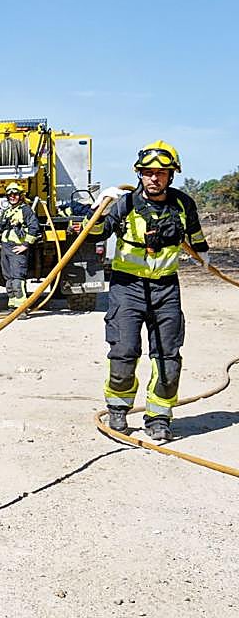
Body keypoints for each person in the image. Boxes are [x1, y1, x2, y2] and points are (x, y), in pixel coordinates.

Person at [91, 140, 210, 442]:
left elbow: (194, 233)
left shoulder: (183, 204)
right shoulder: (125, 203)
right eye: (147, 172)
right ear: (139, 174)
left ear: (172, 175)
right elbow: (94, 232)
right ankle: (118, 409)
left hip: (166, 289)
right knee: (123, 350)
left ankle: (159, 417)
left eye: (161, 172)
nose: (154, 178)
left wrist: (204, 253)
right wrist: (99, 208)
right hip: (127, 287)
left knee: (168, 357)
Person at [0, 182, 42, 308]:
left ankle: (21, 308)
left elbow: (34, 228)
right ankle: (12, 306)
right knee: (9, 280)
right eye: (10, 195)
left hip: (17, 249)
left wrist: (25, 245)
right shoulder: (8, 211)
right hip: (6, 248)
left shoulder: (25, 210)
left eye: (15, 194)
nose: (12, 197)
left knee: (17, 280)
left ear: (20, 196)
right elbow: (0, 227)